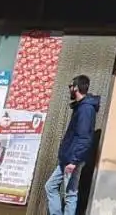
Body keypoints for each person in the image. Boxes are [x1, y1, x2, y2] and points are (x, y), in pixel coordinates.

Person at [45, 75, 99, 215]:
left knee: (70, 193)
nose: (69, 89)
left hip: (72, 159)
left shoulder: (86, 109)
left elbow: (85, 138)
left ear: (76, 87)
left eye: (71, 86)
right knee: (51, 186)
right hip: (68, 158)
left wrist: (74, 161)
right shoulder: (81, 107)